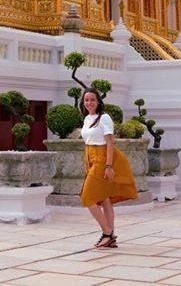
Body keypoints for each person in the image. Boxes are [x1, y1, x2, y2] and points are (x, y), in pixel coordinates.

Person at [79, 89, 137, 248]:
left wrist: (109, 165)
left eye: (92, 100)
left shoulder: (104, 118)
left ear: (98, 101)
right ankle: (111, 236)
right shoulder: (87, 119)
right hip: (91, 158)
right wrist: (87, 162)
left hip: (102, 158)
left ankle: (107, 233)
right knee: (104, 198)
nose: (89, 103)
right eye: (86, 100)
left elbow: (110, 142)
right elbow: (88, 142)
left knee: (87, 198)